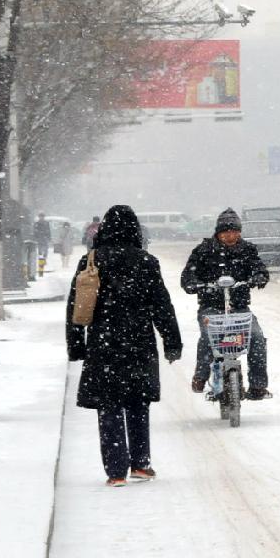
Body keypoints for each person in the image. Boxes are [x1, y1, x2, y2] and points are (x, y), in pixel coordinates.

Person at [66, 205, 182, 487]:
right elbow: (161, 305)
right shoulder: (146, 261)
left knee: (109, 406)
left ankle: (116, 471)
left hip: (103, 343)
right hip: (139, 342)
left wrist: (76, 345)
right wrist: (172, 341)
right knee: (137, 402)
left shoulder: (90, 260)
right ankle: (141, 465)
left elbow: (75, 306)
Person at [181, 207, 271, 400]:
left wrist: (258, 277)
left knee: (256, 337)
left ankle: (258, 385)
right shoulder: (203, 251)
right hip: (210, 308)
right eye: (226, 232)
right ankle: (201, 375)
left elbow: (260, 269)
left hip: (239, 309)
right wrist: (195, 284)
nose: (231, 236)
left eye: (235, 232)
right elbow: (188, 275)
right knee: (208, 337)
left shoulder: (248, 250)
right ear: (218, 233)